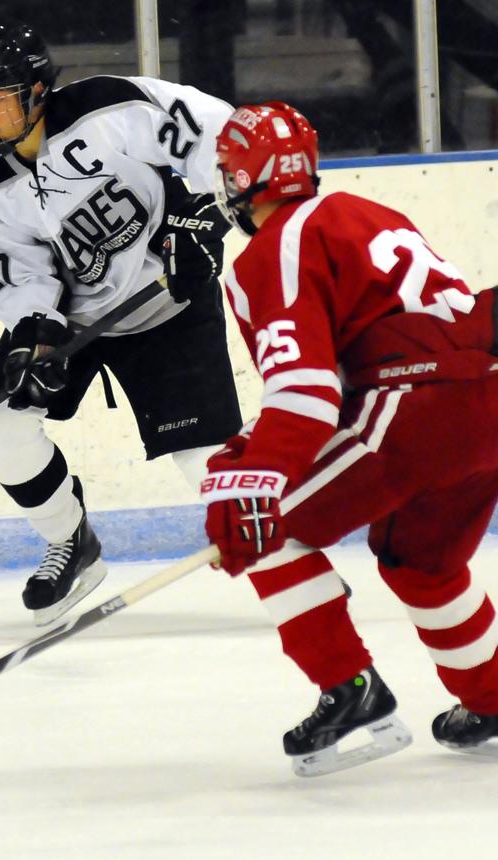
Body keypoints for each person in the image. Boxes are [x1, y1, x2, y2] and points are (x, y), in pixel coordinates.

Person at [202, 100, 498, 775]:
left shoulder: (271, 252)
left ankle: (349, 687)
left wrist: (254, 478)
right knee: (422, 561)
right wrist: (255, 447)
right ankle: (491, 696)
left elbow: (307, 393)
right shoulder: (366, 213)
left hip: (416, 406)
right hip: (485, 398)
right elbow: (354, 369)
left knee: (266, 524)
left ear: (244, 179)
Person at [0, 21, 243, 626]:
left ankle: (293, 562)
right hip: (75, 320)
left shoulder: (108, 109)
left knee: (206, 463)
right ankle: (71, 540)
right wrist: (35, 331)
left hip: (165, 301)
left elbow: (221, 135)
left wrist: (212, 214)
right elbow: (13, 266)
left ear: (38, 92)